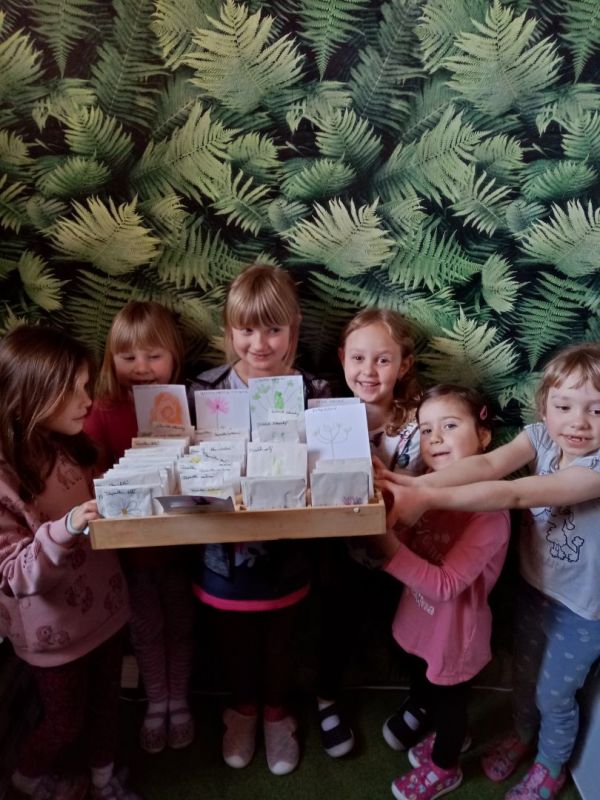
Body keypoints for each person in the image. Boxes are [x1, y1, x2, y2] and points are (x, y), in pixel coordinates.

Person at [377, 343, 600, 800]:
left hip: (583, 610)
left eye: (597, 410)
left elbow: (515, 493)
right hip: (535, 588)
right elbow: (487, 464)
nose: (578, 422)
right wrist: (414, 484)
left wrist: (425, 496)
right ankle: (521, 735)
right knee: (525, 677)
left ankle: (550, 765)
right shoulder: (541, 437)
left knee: (554, 695)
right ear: (544, 408)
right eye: (564, 407)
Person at [188, 263, 330, 775]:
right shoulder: (204, 390)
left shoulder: (314, 390)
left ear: (294, 328)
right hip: (220, 551)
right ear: (229, 330)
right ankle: (242, 709)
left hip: (290, 552)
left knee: (282, 634)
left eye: (273, 329)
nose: (260, 343)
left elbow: (328, 463)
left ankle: (275, 713)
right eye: (246, 329)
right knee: (231, 634)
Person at [0, 325, 135, 800]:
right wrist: (67, 526)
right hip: (53, 636)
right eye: (73, 390)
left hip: (106, 614)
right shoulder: (6, 477)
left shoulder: (70, 446)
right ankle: (27, 778)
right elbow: (14, 575)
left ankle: (103, 779)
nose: (88, 401)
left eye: (85, 386)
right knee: (64, 721)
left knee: (106, 708)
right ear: (31, 396)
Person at [376, 385, 510, 800]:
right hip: (421, 617)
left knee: (451, 705)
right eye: (426, 429)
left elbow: (447, 584)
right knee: (424, 678)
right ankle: (434, 723)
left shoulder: (490, 513)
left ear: (484, 437)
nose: (435, 438)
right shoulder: (425, 489)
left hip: (454, 635)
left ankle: (445, 766)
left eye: (449, 426)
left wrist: (386, 548)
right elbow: (411, 537)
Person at [84, 301, 196, 755]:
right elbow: (90, 472)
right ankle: (156, 703)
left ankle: (180, 701)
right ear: (111, 359)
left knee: (182, 625)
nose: (142, 367)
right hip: (128, 555)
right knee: (145, 629)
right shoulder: (101, 410)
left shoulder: (184, 403)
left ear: (174, 356)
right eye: (128, 357)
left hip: (182, 547)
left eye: (153, 356)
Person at [314, 308, 424, 758]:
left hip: (403, 553)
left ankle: (424, 699)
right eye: (358, 358)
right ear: (342, 358)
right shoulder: (328, 417)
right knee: (334, 624)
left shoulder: (418, 424)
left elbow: (418, 493)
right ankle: (325, 697)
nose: (368, 371)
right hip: (341, 553)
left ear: (404, 364)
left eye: (383, 359)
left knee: (417, 628)